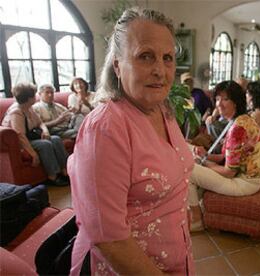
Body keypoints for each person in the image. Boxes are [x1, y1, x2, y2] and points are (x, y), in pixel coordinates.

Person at [68, 7, 194, 275]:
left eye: (168, 58)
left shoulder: (163, 109)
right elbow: (110, 239)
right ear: (117, 64)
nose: (160, 70)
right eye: (145, 56)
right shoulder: (105, 129)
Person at [189, 80, 260, 231]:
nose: (219, 104)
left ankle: (197, 220)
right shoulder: (241, 120)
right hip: (248, 178)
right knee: (194, 159)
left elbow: (229, 172)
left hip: (244, 183)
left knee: (187, 171)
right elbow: (223, 157)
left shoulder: (237, 128)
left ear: (236, 102)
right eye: (217, 99)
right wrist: (205, 155)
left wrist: (203, 161)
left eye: (225, 99)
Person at [1, 83, 69, 186]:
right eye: (33, 95)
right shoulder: (16, 112)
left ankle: (65, 170)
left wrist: (45, 131)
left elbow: (40, 122)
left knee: (55, 139)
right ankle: (53, 176)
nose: (35, 97)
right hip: (18, 143)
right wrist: (33, 154)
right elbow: (20, 136)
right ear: (28, 98)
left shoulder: (28, 107)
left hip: (31, 136)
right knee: (45, 144)